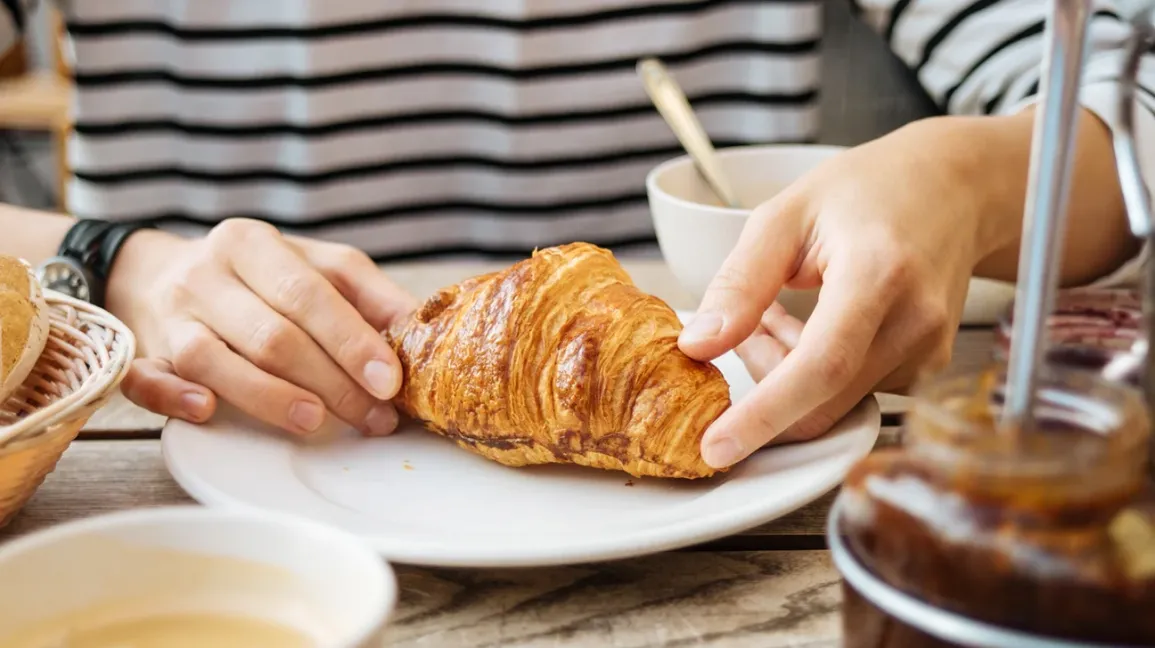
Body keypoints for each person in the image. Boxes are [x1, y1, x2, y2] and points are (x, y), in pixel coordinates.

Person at [2, 1, 1153, 469]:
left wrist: (966, 174)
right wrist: (102, 261)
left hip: (761, 437)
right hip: (189, 458)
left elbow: (1125, 91)